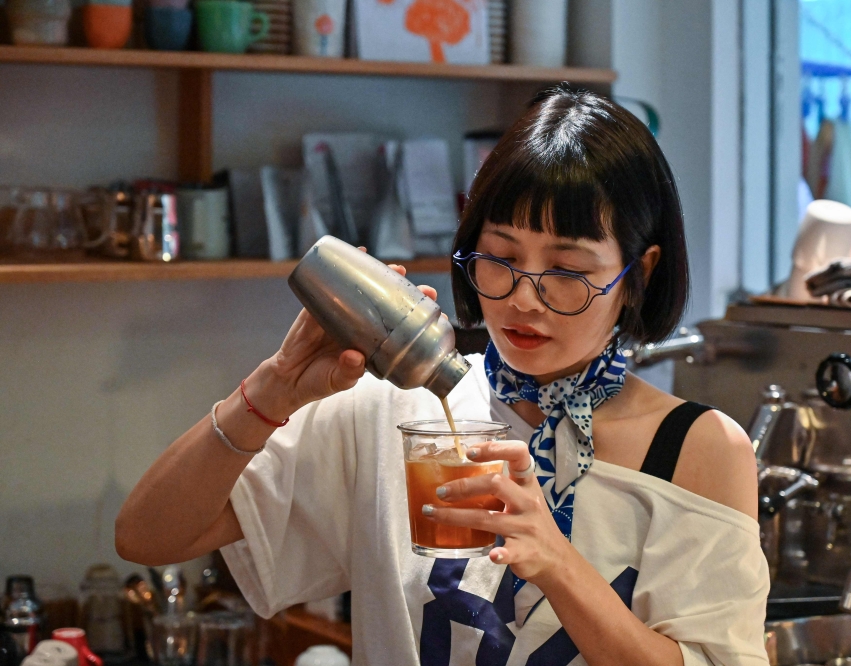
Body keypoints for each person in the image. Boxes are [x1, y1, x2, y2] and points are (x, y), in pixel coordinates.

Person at [116, 87, 768, 666]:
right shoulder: (393, 408)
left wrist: (559, 565)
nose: (523, 298)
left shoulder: (698, 450)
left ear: (640, 273)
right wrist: (274, 388)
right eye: (499, 257)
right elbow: (147, 536)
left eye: (568, 271)